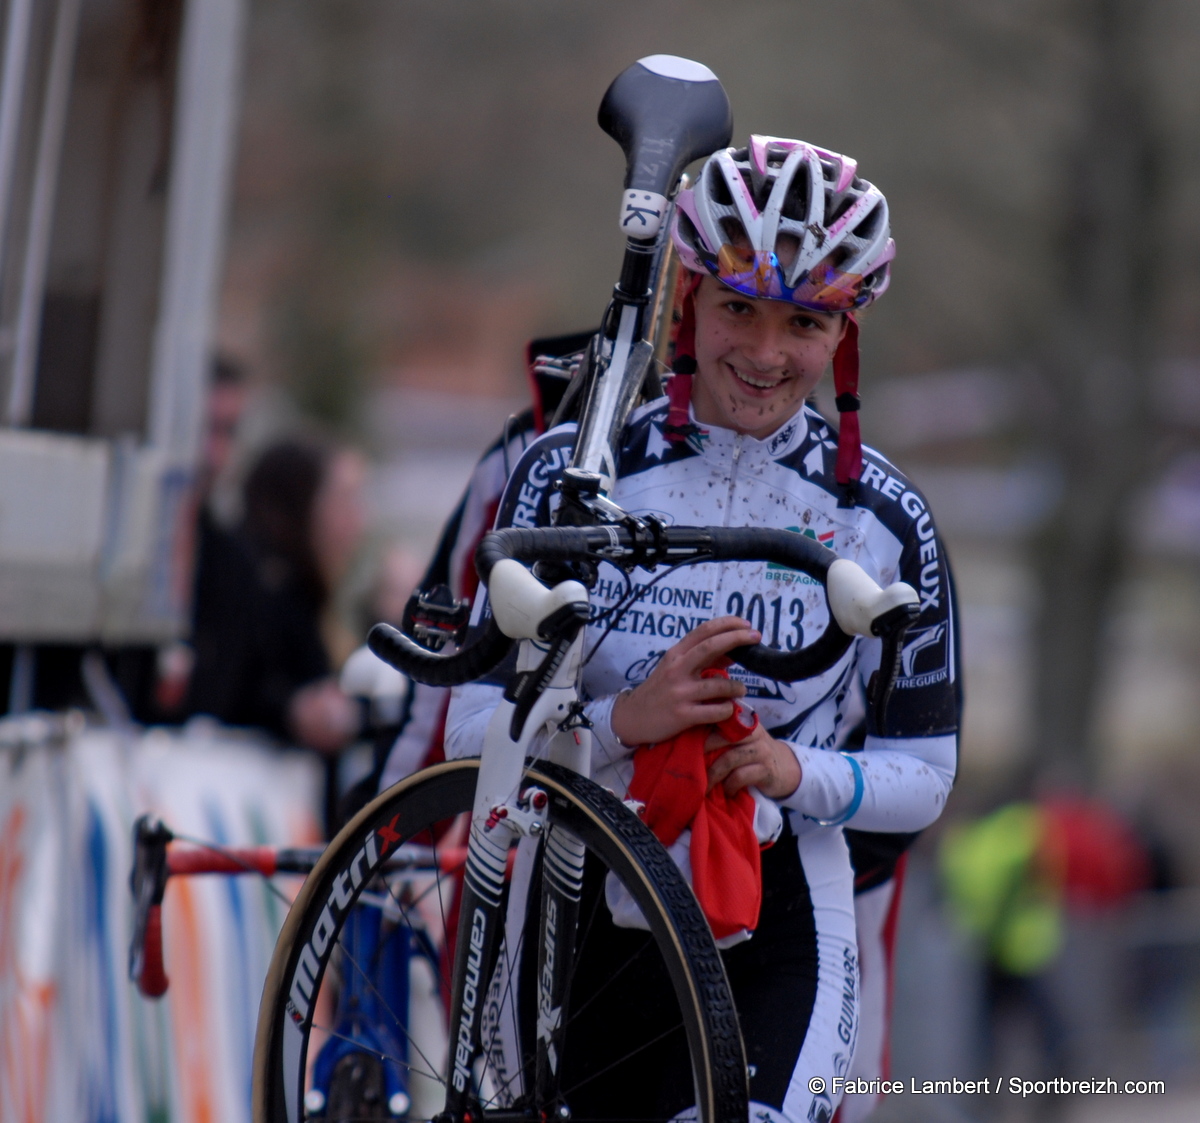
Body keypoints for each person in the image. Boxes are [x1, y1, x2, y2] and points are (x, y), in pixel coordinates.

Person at [443, 136, 960, 1123]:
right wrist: (615, 723)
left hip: (777, 916)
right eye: (738, 308)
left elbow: (925, 774)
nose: (765, 354)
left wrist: (792, 770)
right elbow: (466, 730)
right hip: (572, 902)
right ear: (687, 302)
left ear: (842, 333)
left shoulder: (884, 520)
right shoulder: (574, 471)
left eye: (803, 322)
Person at [187, 437, 367, 827]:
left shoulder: (314, 597)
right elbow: (223, 692)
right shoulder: (257, 586)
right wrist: (292, 711)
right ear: (305, 507)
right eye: (344, 501)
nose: (358, 521)